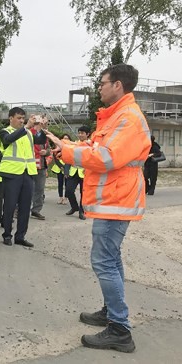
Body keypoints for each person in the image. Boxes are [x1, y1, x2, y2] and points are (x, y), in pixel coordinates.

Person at [48, 64, 150, 353]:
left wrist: (68, 152)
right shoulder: (116, 116)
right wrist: (66, 146)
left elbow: (106, 157)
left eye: (102, 83)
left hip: (117, 200)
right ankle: (111, 311)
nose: (99, 88)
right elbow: (94, 146)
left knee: (104, 260)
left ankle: (119, 329)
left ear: (117, 85)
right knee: (111, 258)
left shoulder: (127, 118)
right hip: (114, 199)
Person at [0, 107, 46, 248]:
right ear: (10, 118)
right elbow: (8, 140)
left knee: (25, 207)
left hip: (27, 173)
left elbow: (41, 140)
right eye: (18, 118)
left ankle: (20, 236)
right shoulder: (5, 132)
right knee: (10, 206)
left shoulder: (28, 134)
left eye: (22, 118)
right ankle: (7, 234)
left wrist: (40, 128)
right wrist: (26, 127)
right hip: (12, 174)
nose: (21, 120)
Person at [65, 126, 90, 220]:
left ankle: (81, 211)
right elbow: (68, 157)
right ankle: (74, 207)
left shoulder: (91, 145)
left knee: (83, 193)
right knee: (69, 190)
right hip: (74, 171)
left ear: (87, 134)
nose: (80, 135)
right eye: (79, 133)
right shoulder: (74, 144)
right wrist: (66, 170)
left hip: (85, 172)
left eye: (82, 133)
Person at [30, 115, 50, 220]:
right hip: (29, 166)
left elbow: (49, 150)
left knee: (39, 190)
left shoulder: (45, 136)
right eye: (37, 123)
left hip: (41, 166)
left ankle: (36, 210)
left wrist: (45, 152)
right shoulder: (28, 133)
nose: (39, 126)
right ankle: (18, 209)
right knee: (26, 189)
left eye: (41, 124)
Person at [51, 134, 70, 205]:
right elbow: (55, 158)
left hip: (67, 167)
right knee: (60, 183)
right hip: (59, 167)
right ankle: (60, 197)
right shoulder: (57, 148)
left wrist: (66, 167)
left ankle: (66, 197)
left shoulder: (70, 148)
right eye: (64, 138)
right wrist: (61, 166)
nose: (66, 140)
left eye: (67, 138)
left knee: (67, 183)